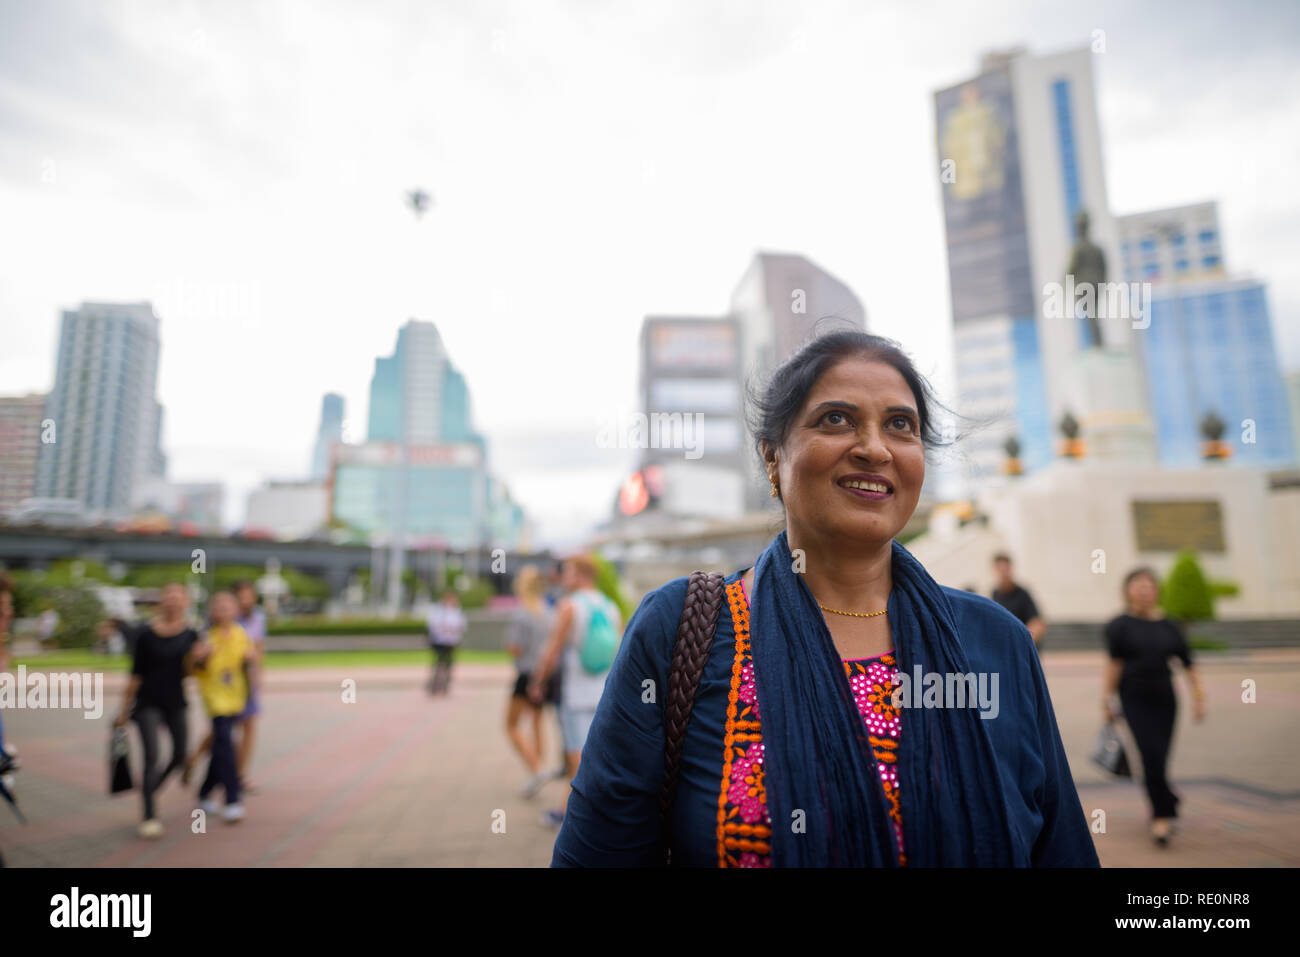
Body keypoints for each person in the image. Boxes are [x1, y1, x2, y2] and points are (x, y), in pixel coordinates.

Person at [551, 331, 1099, 867]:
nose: (874, 448)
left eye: (900, 425)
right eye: (836, 419)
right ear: (773, 457)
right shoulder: (682, 630)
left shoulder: (994, 641)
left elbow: (1060, 845)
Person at [1103, 568, 1206, 847]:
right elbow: (1115, 665)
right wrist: (1106, 699)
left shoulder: (1170, 626)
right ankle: (1162, 815)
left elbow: (1188, 664)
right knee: (1150, 756)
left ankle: (1167, 797)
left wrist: (1199, 698)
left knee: (1159, 756)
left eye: (1149, 585)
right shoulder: (1119, 625)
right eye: (1138, 585)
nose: (1144, 590)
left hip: (1165, 700)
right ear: (1127, 590)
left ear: (1156, 590)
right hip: (1134, 700)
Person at [529, 554, 623, 828]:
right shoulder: (610, 606)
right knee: (598, 748)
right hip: (602, 690)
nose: (563, 576)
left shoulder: (569, 606)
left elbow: (553, 650)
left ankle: (572, 811)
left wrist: (538, 680)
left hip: (574, 692)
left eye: (567, 571)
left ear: (581, 574)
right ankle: (577, 806)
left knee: (574, 751)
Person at [113, 582, 201, 839]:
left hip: (175, 701)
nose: (173, 601)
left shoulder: (192, 635)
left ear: (185, 602)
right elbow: (135, 674)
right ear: (162, 601)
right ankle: (149, 814)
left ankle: (150, 790)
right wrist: (123, 710)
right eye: (168, 596)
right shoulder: (145, 634)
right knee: (152, 755)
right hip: (147, 703)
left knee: (180, 755)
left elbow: (192, 673)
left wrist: (198, 660)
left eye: (178, 597)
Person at [192, 590, 255, 824]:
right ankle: (232, 798)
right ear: (212, 611)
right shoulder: (206, 636)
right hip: (214, 696)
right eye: (219, 606)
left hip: (235, 696)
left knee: (221, 744)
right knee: (226, 743)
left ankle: (204, 791)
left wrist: (250, 660)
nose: (224, 610)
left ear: (236, 610)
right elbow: (195, 668)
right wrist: (203, 657)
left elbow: (246, 666)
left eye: (228, 606)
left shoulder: (241, 634)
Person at [505, 565, 558, 799]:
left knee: (511, 724)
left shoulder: (522, 613)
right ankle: (538, 770)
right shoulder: (549, 612)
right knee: (537, 722)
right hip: (543, 675)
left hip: (526, 674)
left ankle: (536, 769)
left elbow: (515, 648)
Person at [990, 554, 1047, 646]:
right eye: (1000, 570)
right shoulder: (994, 593)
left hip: (1020, 645)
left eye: (1005, 570)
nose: (1003, 574)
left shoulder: (1022, 594)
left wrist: (1022, 642)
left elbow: (1037, 623)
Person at [426, 589, 467, 695]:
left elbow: (461, 626)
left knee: (448, 663)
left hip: (451, 641)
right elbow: (434, 625)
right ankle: (434, 685)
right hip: (439, 641)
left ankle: (445, 685)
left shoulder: (457, 611)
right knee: (438, 662)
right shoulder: (438, 610)